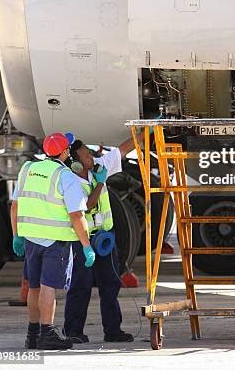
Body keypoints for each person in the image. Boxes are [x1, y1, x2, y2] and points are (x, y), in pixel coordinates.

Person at [10, 132, 96, 350]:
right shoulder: (65, 176)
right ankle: (47, 333)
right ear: (66, 152)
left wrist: (16, 235)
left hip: (31, 239)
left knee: (35, 287)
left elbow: (15, 206)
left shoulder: (27, 169)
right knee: (49, 287)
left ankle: (33, 334)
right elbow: (77, 215)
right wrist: (87, 246)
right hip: (55, 242)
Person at [63, 134, 142, 343]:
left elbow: (121, 151)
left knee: (110, 284)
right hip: (83, 241)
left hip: (104, 239)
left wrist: (145, 131)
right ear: (77, 164)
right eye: (87, 155)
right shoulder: (70, 181)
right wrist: (100, 183)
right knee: (80, 286)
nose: (93, 157)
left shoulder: (95, 167)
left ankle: (113, 330)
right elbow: (86, 206)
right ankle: (73, 331)